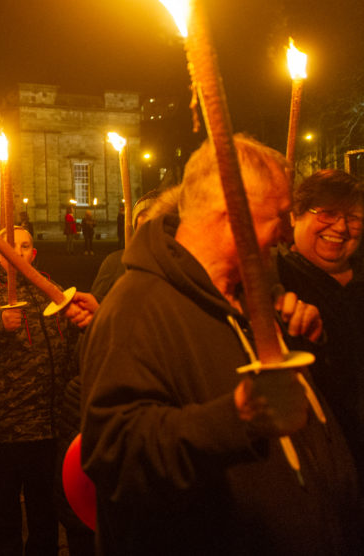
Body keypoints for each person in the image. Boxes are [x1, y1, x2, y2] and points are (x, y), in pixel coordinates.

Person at [79, 135, 360, 554]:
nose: (286, 234)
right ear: (233, 217)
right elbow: (115, 456)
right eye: (278, 218)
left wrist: (311, 340)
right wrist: (236, 418)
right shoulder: (137, 307)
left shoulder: (251, 297)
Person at [0, 225, 93, 556]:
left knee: (45, 512)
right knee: (4, 511)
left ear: (33, 253)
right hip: (4, 425)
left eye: (25, 246)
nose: (18, 251)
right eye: (10, 245)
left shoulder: (51, 291)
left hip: (48, 424)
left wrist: (85, 326)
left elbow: (71, 349)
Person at [276, 169, 364, 506]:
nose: (340, 228)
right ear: (295, 216)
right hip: (318, 467)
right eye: (326, 213)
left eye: (353, 218)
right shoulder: (275, 281)